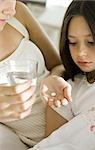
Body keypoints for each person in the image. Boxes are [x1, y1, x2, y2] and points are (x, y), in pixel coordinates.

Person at [32, 0, 95, 149]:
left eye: (91, 42)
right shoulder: (66, 89)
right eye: (72, 42)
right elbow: (49, 144)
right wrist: (55, 77)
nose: (81, 52)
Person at [0, 1, 61, 150]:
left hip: (70, 114)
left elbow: (58, 65)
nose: (11, 10)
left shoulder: (18, 13)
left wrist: (54, 78)